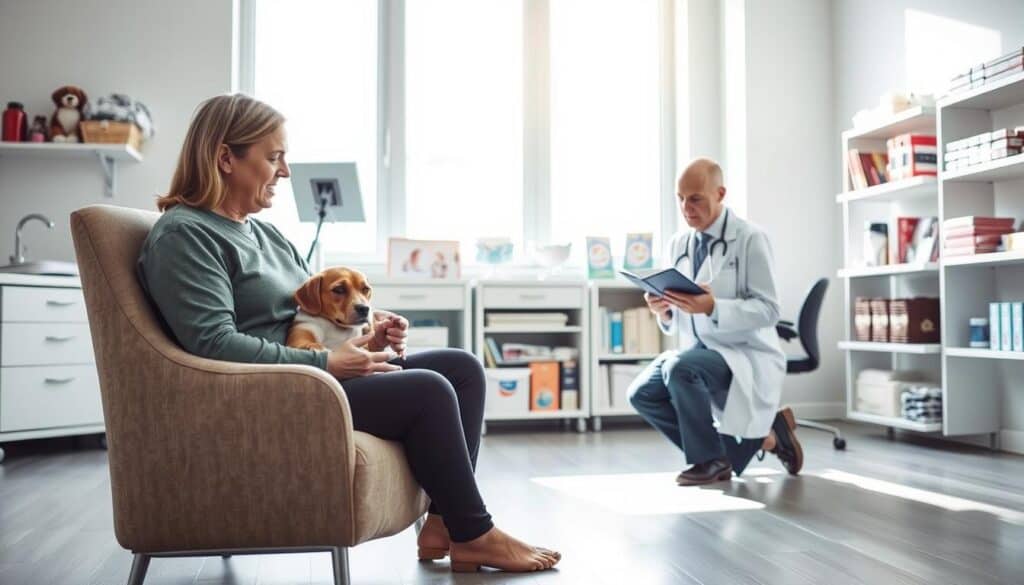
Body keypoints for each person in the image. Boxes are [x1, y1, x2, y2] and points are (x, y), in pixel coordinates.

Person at [136, 94, 559, 573]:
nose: (286, 172)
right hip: (268, 392)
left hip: (312, 375)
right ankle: (477, 531)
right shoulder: (186, 235)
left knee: (461, 368)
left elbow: (309, 315)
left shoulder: (264, 234)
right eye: (273, 157)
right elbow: (211, 343)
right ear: (225, 157)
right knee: (428, 389)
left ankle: (446, 524)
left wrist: (367, 333)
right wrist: (326, 364)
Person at [628, 157, 803, 486]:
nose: (686, 207)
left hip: (745, 352)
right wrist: (663, 309)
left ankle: (710, 461)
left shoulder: (751, 238)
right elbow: (682, 310)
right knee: (641, 393)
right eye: (680, 198)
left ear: (720, 193)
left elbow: (768, 310)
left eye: (695, 198)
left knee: (679, 367)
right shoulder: (678, 243)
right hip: (701, 350)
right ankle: (761, 441)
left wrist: (713, 308)